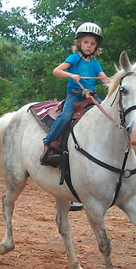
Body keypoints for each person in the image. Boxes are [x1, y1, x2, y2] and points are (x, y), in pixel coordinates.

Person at [40, 22, 110, 164]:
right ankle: (49, 141)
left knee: (107, 114)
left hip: (91, 96)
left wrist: (113, 82)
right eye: (86, 42)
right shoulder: (74, 58)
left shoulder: (95, 63)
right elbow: (56, 71)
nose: (89, 46)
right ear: (79, 43)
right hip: (75, 94)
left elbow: (104, 78)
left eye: (92, 43)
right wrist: (71, 76)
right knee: (65, 116)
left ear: (96, 46)